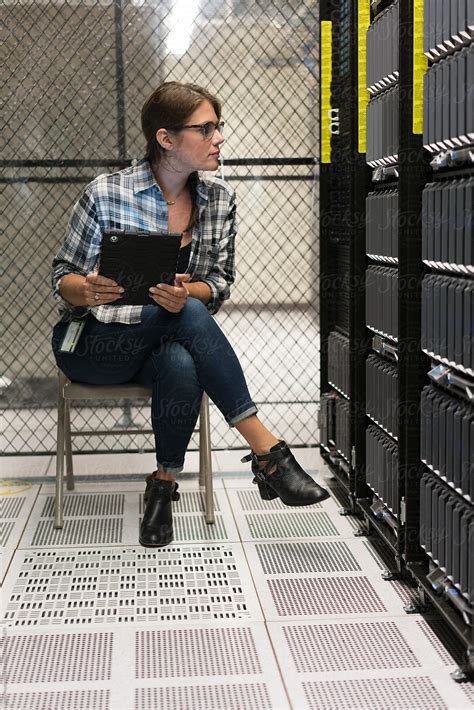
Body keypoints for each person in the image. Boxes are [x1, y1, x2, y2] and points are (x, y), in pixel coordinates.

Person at [51, 81, 329, 548]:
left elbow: (218, 282)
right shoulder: (105, 193)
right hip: (97, 345)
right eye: (206, 129)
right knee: (190, 316)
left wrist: (186, 292)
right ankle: (268, 452)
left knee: (182, 357)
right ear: (166, 139)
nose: (219, 137)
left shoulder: (217, 200)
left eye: (218, 127)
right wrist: (90, 289)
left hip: (162, 344)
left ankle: (163, 487)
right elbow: (62, 277)